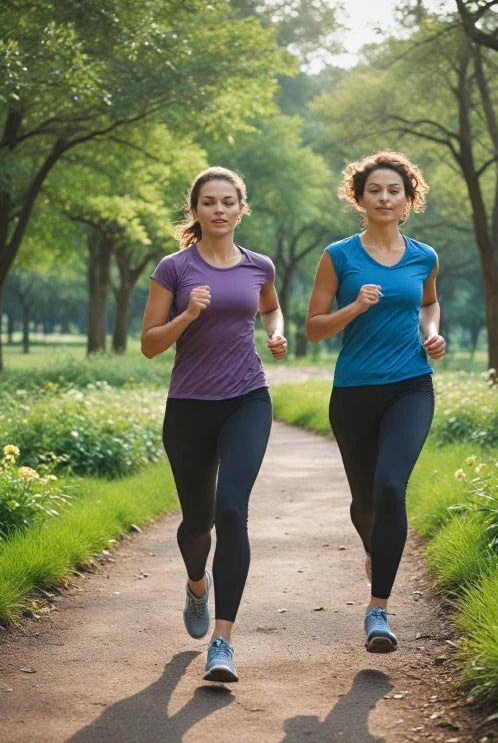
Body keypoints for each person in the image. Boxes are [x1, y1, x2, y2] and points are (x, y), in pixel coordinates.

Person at [141, 166, 288, 682]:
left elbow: (271, 309)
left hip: (247, 398)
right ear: (195, 210)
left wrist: (276, 333)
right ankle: (196, 584)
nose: (219, 209)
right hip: (189, 406)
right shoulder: (174, 268)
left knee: (232, 510)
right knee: (196, 523)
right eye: (209, 202)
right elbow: (150, 344)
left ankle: (222, 643)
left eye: (229, 201)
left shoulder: (259, 266)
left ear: (241, 209)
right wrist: (186, 316)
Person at [305, 150, 445, 653]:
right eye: (374, 191)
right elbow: (314, 328)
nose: (384, 198)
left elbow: (427, 303)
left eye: (394, 191)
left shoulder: (423, 256)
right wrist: (354, 307)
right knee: (365, 501)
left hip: (411, 385)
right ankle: (374, 546)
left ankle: (378, 609)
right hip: (354, 393)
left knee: (390, 486)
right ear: (359, 199)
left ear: (409, 200)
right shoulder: (339, 256)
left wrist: (433, 333)